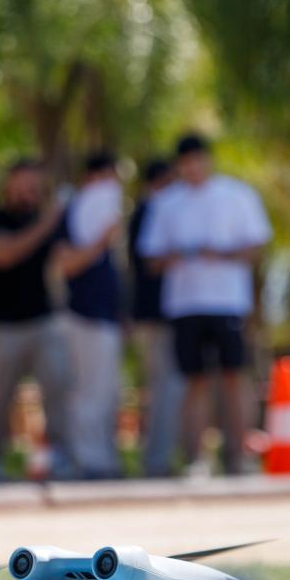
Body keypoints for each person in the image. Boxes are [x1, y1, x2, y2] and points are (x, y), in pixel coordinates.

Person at [140, 133, 272, 476]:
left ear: (208, 160)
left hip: (228, 303)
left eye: (197, 160)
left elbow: (257, 247)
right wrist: (180, 254)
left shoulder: (237, 195)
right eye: (186, 162)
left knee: (235, 377)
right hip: (184, 305)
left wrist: (221, 254)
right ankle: (197, 460)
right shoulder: (166, 202)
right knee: (193, 381)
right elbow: (150, 259)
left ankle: (240, 457)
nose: (192, 168)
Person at [0, 159, 73, 481]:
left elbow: (64, 263)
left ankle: (59, 455)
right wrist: (48, 222)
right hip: (5, 325)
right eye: (24, 184)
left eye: (35, 186)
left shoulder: (48, 220)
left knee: (57, 388)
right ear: (9, 185)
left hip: (45, 320)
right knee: (1, 394)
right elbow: (3, 255)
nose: (29, 191)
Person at [59, 151, 125, 479]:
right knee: (89, 391)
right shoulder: (72, 212)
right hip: (83, 315)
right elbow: (66, 264)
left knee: (107, 391)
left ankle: (103, 458)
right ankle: (86, 460)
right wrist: (101, 240)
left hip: (107, 316)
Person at [127, 159, 181, 476]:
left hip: (159, 317)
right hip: (155, 318)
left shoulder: (147, 211)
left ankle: (160, 458)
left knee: (166, 388)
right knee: (166, 388)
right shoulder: (150, 211)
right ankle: (157, 461)